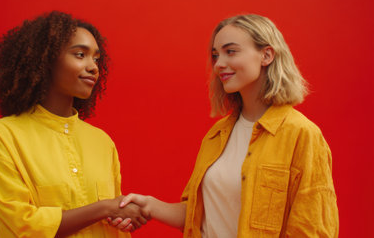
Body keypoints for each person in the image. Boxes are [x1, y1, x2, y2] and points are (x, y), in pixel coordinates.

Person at [113, 14, 339, 237]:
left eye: (230, 51)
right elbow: (197, 215)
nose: (219, 64)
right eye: (215, 55)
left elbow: (313, 229)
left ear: (266, 55)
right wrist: (149, 205)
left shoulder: (302, 134)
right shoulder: (218, 133)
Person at [0, 11, 147, 238]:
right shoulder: (3, 136)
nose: (93, 67)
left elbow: (115, 222)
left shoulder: (102, 142)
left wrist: (122, 216)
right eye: (80, 55)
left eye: (96, 59)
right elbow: (22, 226)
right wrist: (105, 207)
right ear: (45, 60)